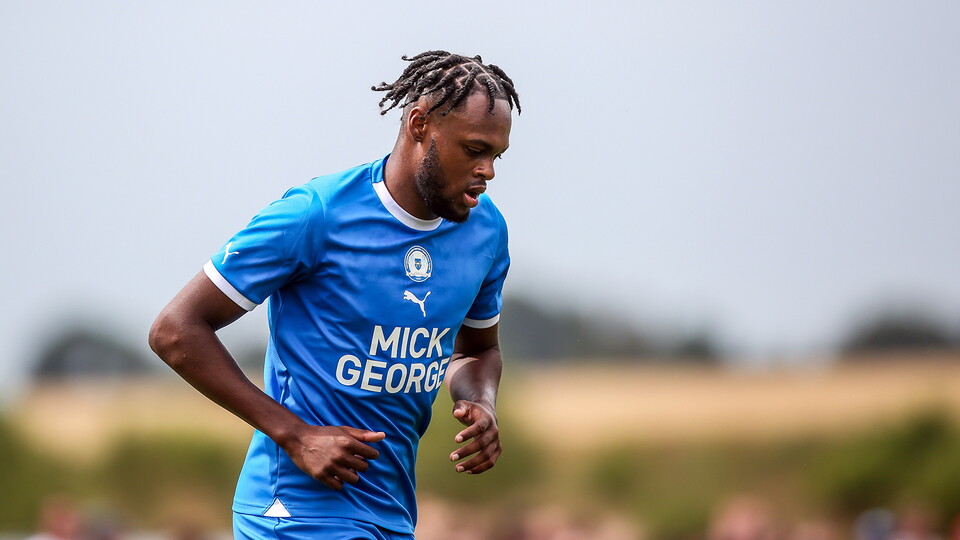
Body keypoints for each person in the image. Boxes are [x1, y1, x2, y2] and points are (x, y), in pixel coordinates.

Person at [148, 50, 520, 540]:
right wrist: (294, 433)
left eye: (496, 155)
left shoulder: (485, 232)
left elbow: (477, 351)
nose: (488, 170)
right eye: (474, 150)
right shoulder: (316, 215)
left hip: (391, 513)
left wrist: (483, 403)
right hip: (293, 513)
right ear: (419, 124)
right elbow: (175, 331)